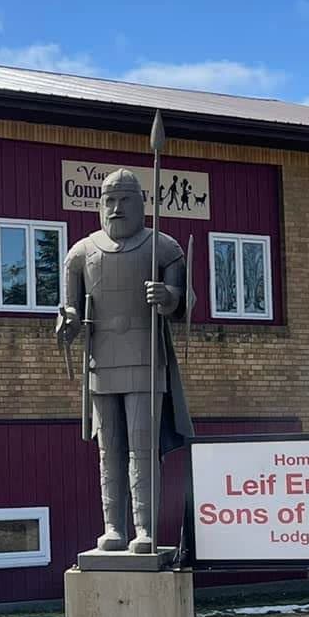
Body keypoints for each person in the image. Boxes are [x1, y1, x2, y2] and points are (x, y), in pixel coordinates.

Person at [55, 168, 193, 554]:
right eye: (109, 201)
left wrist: (168, 296)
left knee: (142, 450)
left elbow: (184, 301)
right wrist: (65, 324)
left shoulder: (164, 248)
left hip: (147, 363)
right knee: (109, 449)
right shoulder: (80, 254)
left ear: (141, 204)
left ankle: (144, 530)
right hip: (101, 365)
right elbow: (69, 312)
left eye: (125, 200)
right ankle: (113, 527)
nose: (116, 208)